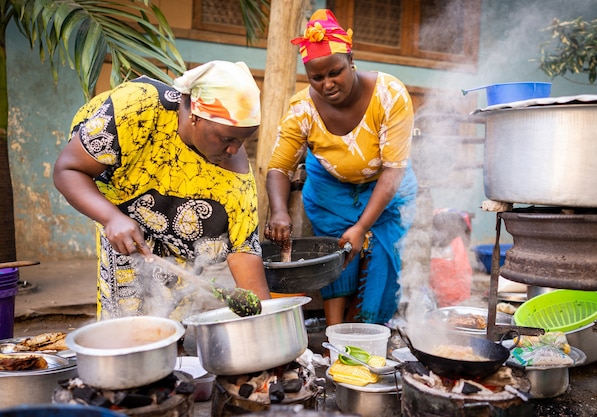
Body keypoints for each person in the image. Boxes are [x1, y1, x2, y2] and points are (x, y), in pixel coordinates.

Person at [53, 60, 271, 320]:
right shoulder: (138, 107)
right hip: (120, 199)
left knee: (174, 311)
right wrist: (111, 218)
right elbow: (67, 170)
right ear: (194, 114)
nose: (234, 150)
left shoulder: (237, 179)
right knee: (127, 312)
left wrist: (269, 324)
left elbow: (243, 251)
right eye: (227, 139)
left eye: (242, 140)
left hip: (178, 228)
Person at [265, 9, 417, 325]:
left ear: (351, 60)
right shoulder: (302, 108)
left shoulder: (389, 95)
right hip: (329, 189)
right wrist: (278, 210)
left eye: (335, 72)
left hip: (384, 185)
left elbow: (393, 170)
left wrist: (362, 227)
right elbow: (279, 168)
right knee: (334, 256)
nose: (327, 84)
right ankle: (335, 335)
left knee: (384, 261)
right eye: (316, 78)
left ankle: (368, 328)